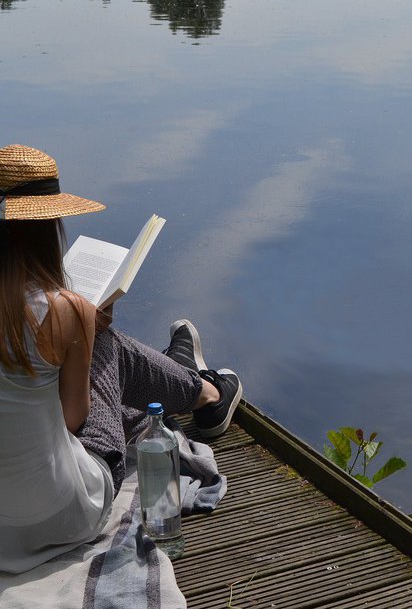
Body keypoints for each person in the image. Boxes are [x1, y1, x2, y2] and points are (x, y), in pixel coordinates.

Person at [0, 144, 242, 574]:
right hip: (63, 515)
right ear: (46, 227)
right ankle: (203, 392)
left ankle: (188, 380)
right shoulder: (62, 308)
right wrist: (87, 333)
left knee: (95, 347)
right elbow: (74, 419)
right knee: (107, 348)